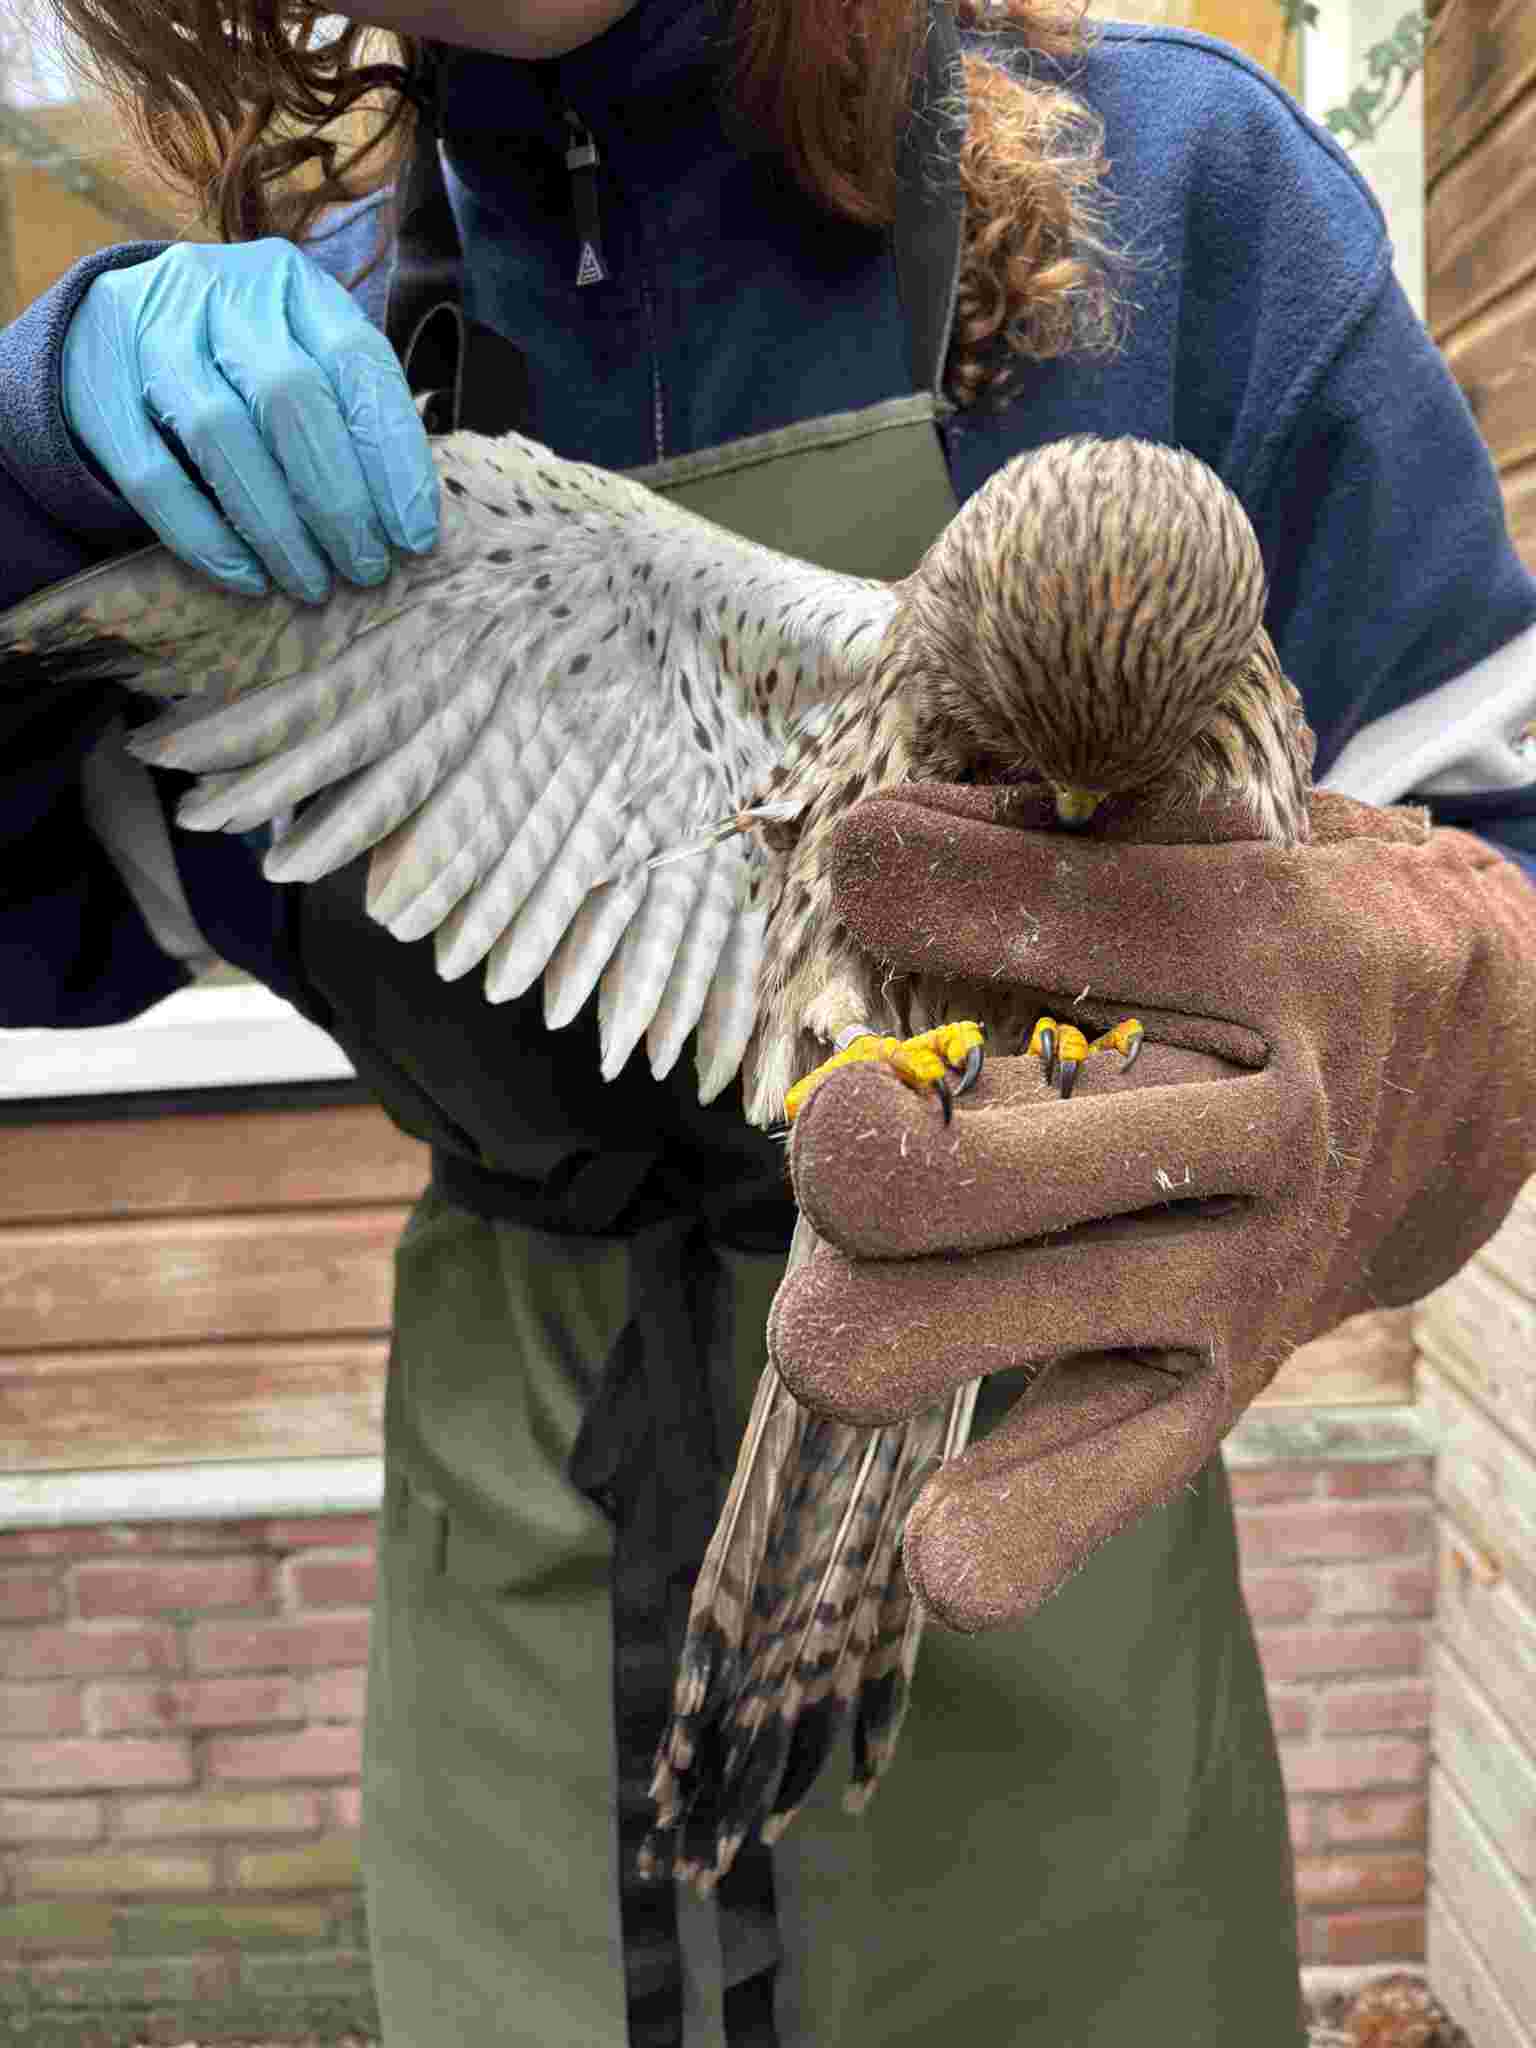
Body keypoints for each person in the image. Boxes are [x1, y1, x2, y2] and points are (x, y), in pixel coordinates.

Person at [2, 2, 1534, 2043]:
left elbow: (1491, 847)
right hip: (519, 1622)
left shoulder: (1184, 195)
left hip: (1055, 1583)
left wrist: (1415, 1036)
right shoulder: (294, 358)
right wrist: (25, 475)